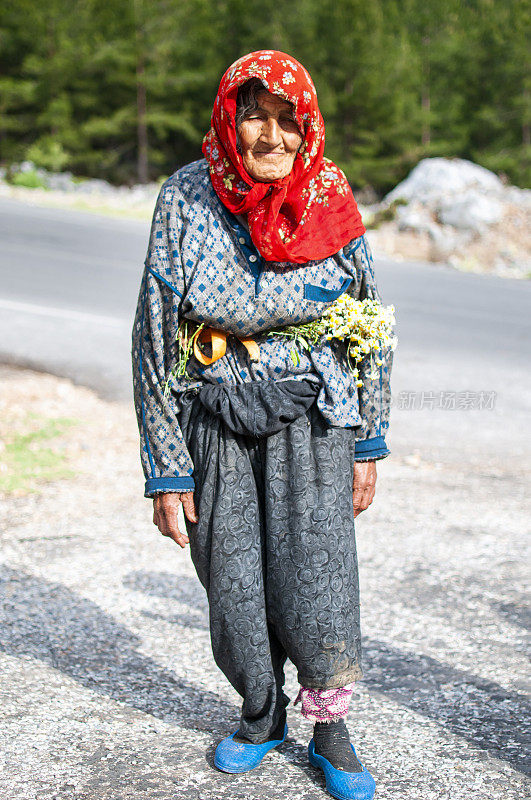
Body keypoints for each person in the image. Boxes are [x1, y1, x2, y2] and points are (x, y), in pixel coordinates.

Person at [132, 50, 394, 800]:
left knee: (318, 578)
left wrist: (368, 438)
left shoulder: (329, 192)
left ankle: (331, 730)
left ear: (306, 126)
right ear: (228, 118)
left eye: (287, 120)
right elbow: (153, 332)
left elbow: (368, 315)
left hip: (313, 418)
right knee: (232, 582)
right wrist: (165, 466)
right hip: (214, 415)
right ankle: (260, 713)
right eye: (255, 116)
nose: (271, 137)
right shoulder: (186, 195)